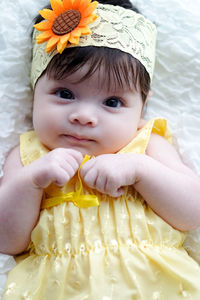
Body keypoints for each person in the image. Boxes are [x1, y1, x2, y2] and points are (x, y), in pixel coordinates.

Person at [1, 0, 200, 298]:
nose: (84, 116)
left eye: (112, 102)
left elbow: (192, 213)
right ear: (34, 93)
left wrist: (140, 170)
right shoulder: (28, 155)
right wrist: (32, 181)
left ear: (142, 108)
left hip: (157, 286)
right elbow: (7, 240)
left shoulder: (146, 145)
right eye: (65, 94)